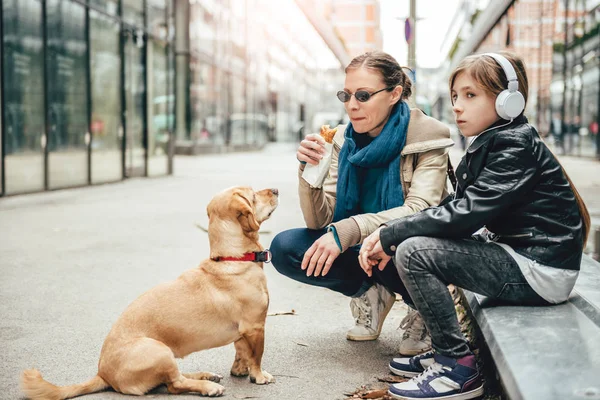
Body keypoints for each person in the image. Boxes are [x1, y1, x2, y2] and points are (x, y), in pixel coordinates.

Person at [359, 52, 591, 400]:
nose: (457, 106)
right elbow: (458, 210)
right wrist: (397, 232)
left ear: (508, 100)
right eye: (455, 96)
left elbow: (466, 213)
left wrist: (392, 234)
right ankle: (446, 351)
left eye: (470, 95)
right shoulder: (495, 141)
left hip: (540, 269)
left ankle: (457, 368)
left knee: (414, 252)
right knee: (413, 243)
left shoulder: (514, 145)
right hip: (526, 260)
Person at [270, 51, 454, 356]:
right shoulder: (343, 138)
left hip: (407, 246)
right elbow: (320, 222)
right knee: (285, 248)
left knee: (402, 242)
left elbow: (419, 210)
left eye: (364, 95)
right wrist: (308, 173)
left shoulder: (427, 135)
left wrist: (350, 229)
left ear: (395, 94)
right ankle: (372, 294)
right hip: (365, 250)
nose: (352, 105)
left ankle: (422, 308)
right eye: (347, 94)